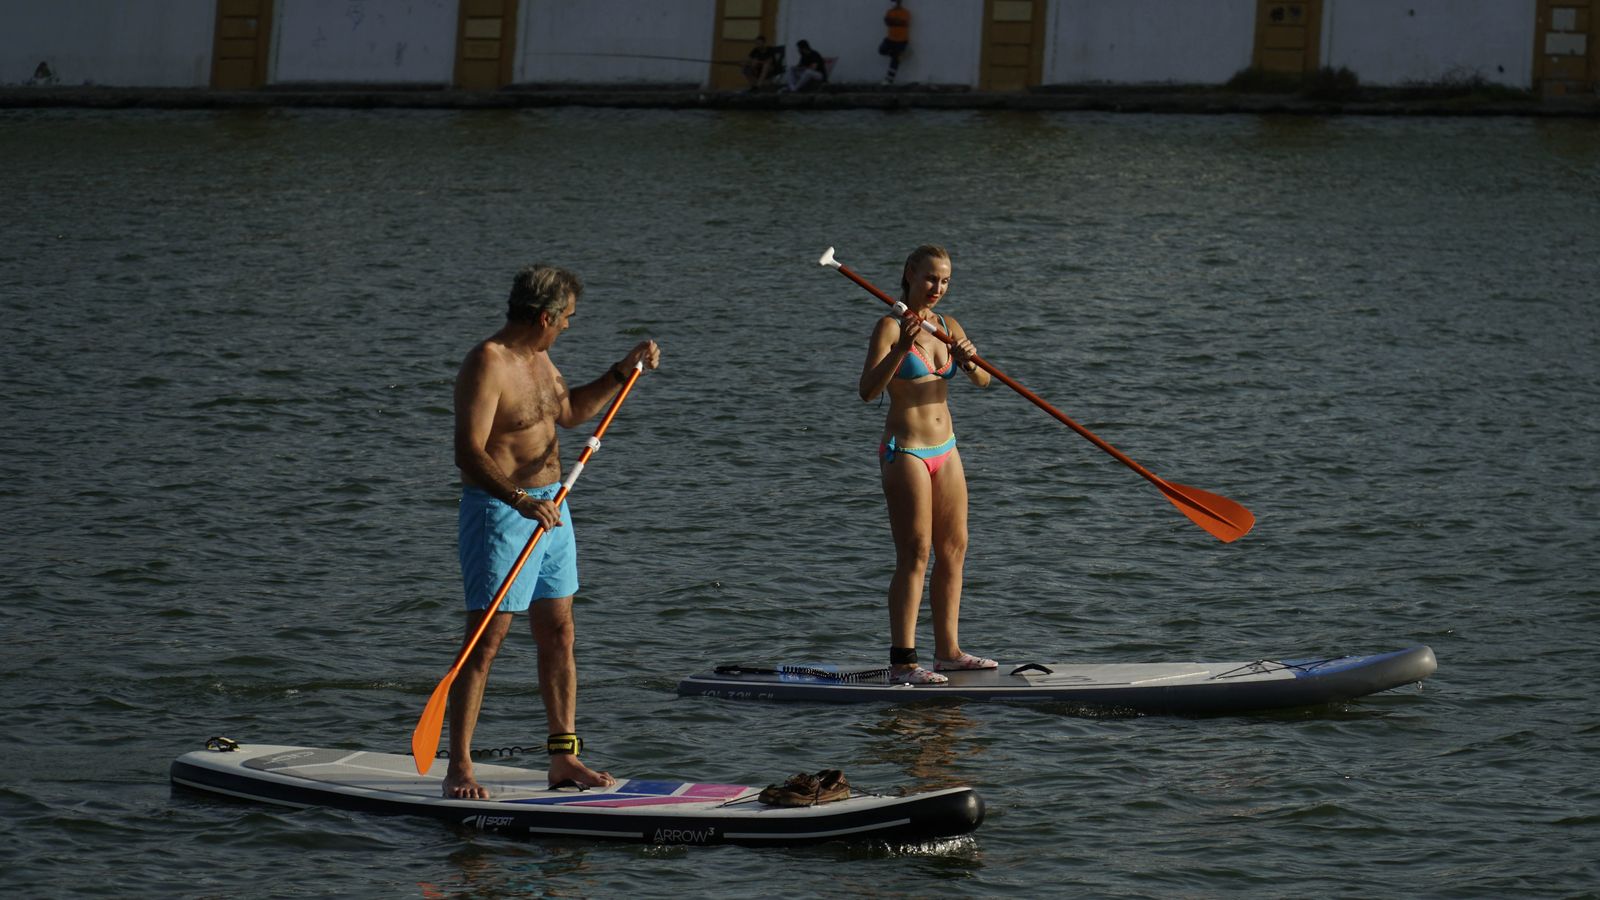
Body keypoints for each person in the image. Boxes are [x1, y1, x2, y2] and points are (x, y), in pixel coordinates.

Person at [444, 264, 661, 799]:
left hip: (553, 507)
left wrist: (621, 372)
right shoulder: (487, 363)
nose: (568, 326)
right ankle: (460, 767)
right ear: (545, 316)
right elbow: (467, 451)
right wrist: (517, 500)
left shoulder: (540, 359)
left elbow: (567, 414)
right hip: (500, 512)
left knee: (560, 633)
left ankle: (563, 759)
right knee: (486, 640)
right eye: (566, 319)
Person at [858, 246, 994, 685]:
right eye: (931, 279)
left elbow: (985, 380)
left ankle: (949, 653)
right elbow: (866, 390)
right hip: (907, 452)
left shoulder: (947, 326)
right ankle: (903, 663)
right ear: (910, 275)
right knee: (914, 555)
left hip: (946, 449)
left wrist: (971, 362)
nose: (938, 288)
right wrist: (900, 350)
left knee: (954, 550)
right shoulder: (889, 326)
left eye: (946, 281)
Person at [880, 1, 911, 85]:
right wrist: (895, 21)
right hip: (891, 39)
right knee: (882, 50)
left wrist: (892, 21)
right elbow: (887, 22)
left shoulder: (905, 12)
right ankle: (896, 54)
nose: (894, 3)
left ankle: (889, 79)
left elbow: (904, 22)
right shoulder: (890, 12)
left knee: (895, 61)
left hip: (901, 40)